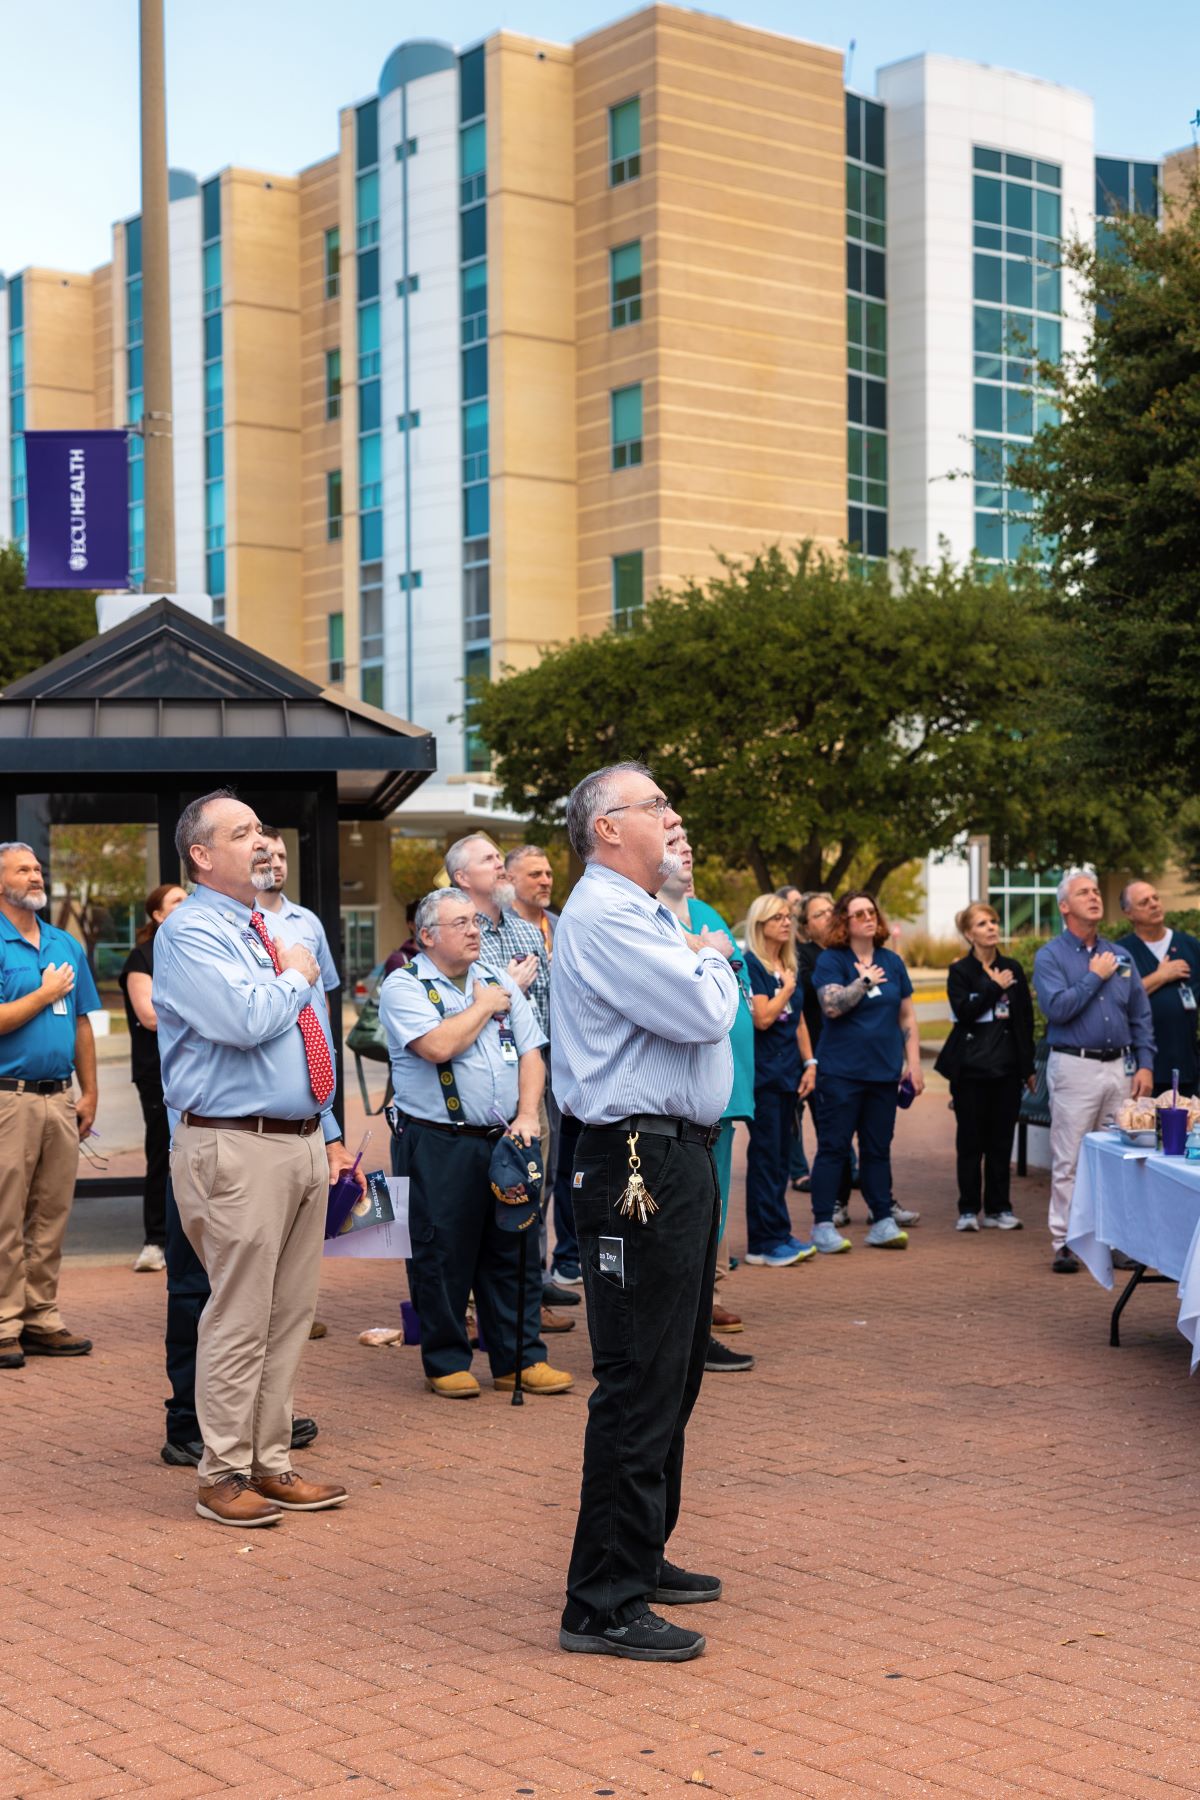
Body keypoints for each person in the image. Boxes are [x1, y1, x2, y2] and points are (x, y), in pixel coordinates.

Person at [552, 761, 739, 1664]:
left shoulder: (650, 913)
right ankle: (603, 1601)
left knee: (675, 1370)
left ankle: (641, 1550)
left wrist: (702, 953)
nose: (671, 816)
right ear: (605, 829)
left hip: (675, 1153)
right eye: (653, 805)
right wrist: (716, 962)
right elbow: (705, 1012)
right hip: (637, 1158)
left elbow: (700, 995)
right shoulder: (606, 913)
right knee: (638, 1375)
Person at [154, 790, 361, 1526]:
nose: (262, 842)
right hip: (234, 1143)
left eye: (262, 829)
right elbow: (244, 1021)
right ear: (203, 856)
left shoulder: (267, 929)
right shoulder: (189, 932)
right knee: (240, 1316)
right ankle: (221, 1474)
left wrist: (329, 1124)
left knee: (289, 1314)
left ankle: (270, 1463)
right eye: (242, 833)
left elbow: (310, 1041)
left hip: (299, 1138)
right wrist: (298, 972)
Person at [378, 886, 571, 1398]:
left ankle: (519, 1359)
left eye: (475, 923)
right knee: (440, 1253)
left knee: (515, 1249)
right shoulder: (405, 986)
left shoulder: (494, 980)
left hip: (505, 1139)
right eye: (459, 923)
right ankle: (445, 1362)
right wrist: (486, 1006)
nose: (473, 931)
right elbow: (437, 1045)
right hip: (436, 1142)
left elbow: (533, 1052)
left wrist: (528, 1115)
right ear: (426, 936)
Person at [0, 841, 99, 1369]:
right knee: (5, 1216)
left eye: (38, 868)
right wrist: (41, 993)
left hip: (59, 1098)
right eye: (23, 869)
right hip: (7, 1100)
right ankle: (3, 1323)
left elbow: (82, 1021)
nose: (36, 876)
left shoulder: (65, 942)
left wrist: (91, 1093)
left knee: (51, 1214)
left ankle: (41, 1317)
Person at [657, 832, 755, 1369]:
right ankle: (677, 1338)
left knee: (711, 1213)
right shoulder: (645, 918)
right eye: (673, 840)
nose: (687, 849)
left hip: (724, 1095)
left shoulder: (709, 912)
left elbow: (735, 989)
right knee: (676, 1219)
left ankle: (699, 1324)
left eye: (691, 841)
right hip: (672, 1105)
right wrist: (700, 950)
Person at [1033, 869, 1154, 1274]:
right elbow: (1058, 1010)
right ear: (1065, 906)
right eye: (1084, 892)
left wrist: (1146, 1063)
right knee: (1069, 1158)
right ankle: (1065, 1242)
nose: (1094, 897)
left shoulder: (1122, 954)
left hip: (1120, 1068)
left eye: (1097, 891)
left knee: (1118, 1158)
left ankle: (1116, 1243)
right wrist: (1094, 976)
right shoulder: (1050, 956)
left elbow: (1140, 1012)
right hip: (1075, 1066)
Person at [810, 890, 923, 1249]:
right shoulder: (832, 960)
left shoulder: (892, 961)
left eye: (871, 911)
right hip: (841, 1073)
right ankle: (823, 1224)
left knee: (878, 1149)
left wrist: (914, 1065)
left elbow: (907, 1016)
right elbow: (831, 1005)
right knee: (834, 1147)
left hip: (884, 1074)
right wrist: (864, 982)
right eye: (858, 914)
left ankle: (883, 1221)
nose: (868, 918)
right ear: (844, 921)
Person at [503, 844, 580, 1316]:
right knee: (530, 1172)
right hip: (522, 1065)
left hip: (566, 1064)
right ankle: (526, 1281)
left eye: (549, 872)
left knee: (556, 1172)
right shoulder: (501, 931)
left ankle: (544, 1271)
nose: (546, 880)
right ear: (510, 879)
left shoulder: (562, 925)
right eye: (534, 873)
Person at [935, 903, 1035, 1232]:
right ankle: (967, 1210)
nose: (991, 927)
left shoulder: (1013, 968)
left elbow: (1023, 1019)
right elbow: (963, 1011)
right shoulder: (961, 972)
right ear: (969, 934)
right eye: (982, 923)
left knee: (1000, 1141)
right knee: (970, 1141)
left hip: (1006, 1070)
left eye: (994, 921)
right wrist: (994, 987)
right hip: (971, 1070)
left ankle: (998, 1208)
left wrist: (1028, 1066)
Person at [741, 894, 821, 1263]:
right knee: (766, 1158)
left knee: (781, 1157)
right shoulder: (752, 965)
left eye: (789, 917)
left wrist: (810, 1063)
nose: (787, 923)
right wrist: (786, 988)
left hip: (790, 1072)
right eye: (778, 917)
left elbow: (800, 1019)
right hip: (766, 1076)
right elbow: (762, 1017)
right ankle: (764, 1241)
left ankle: (780, 1233)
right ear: (761, 924)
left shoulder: (788, 962)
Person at [119, 883, 187, 1273]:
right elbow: (148, 1016)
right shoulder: (141, 957)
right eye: (176, 901)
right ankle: (156, 1240)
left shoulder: (190, 952)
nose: (185, 905)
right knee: (162, 1151)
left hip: (196, 1069)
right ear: (158, 915)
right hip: (157, 1072)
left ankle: (188, 1236)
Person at [1119, 880, 1200, 1096]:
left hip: (1188, 1067)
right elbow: (1119, 999)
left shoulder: (1190, 946)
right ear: (1129, 914)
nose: (1154, 905)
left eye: (1155, 898)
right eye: (1144, 902)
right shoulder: (1122, 953)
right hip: (1144, 1069)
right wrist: (1161, 976)